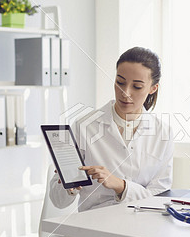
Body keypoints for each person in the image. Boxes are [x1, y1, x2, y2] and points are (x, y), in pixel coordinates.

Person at [50, 46, 173, 213]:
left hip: (143, 226)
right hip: (95, 228)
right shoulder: (84, 126)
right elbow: (58, 201)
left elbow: (159, 196)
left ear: (153, 88)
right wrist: (69, 186)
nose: (125, 93)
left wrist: (120, 186)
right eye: (120, 82)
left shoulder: (162, 133)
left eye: (137, 87)